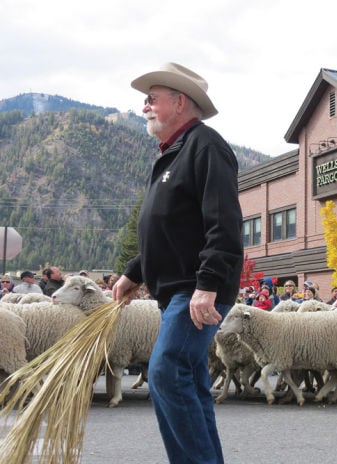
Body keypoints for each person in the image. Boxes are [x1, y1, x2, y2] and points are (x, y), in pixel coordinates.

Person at [112, 62, 244, 464]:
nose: (145, 107)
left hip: (196, 289)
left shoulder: (206, 146)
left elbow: (223, 222)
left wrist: (208, 284)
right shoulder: (173, 154)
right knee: (188, 380)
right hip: (178, 290)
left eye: (151, 99)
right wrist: (135, 272)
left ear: (179, 101)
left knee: (167, 371)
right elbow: (171, 229)